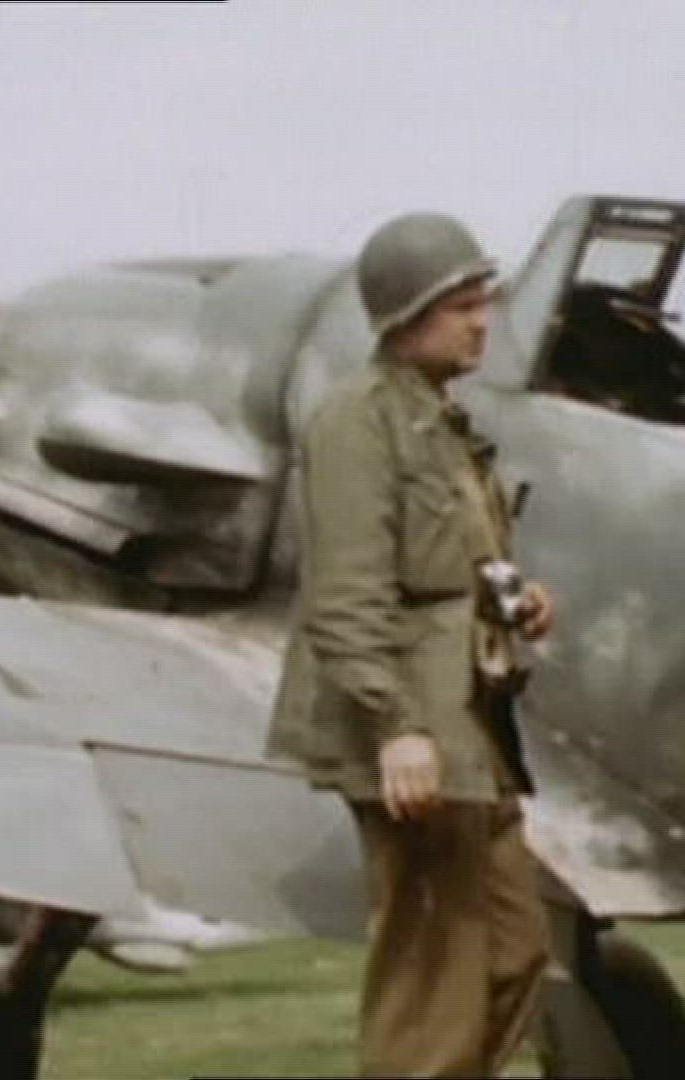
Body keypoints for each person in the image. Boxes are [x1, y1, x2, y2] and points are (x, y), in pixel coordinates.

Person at [268, 211, 557, 1078]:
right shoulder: (358, 421)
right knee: (434, 980)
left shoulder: (442, 423)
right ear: (406, 317)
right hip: (414, 730)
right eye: (462, 306)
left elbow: (449, 568)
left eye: (483, 302)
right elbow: (345, 595)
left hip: (470, 729)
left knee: (513, 953)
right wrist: (396, 727)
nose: (482, 322)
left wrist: (517, 601)